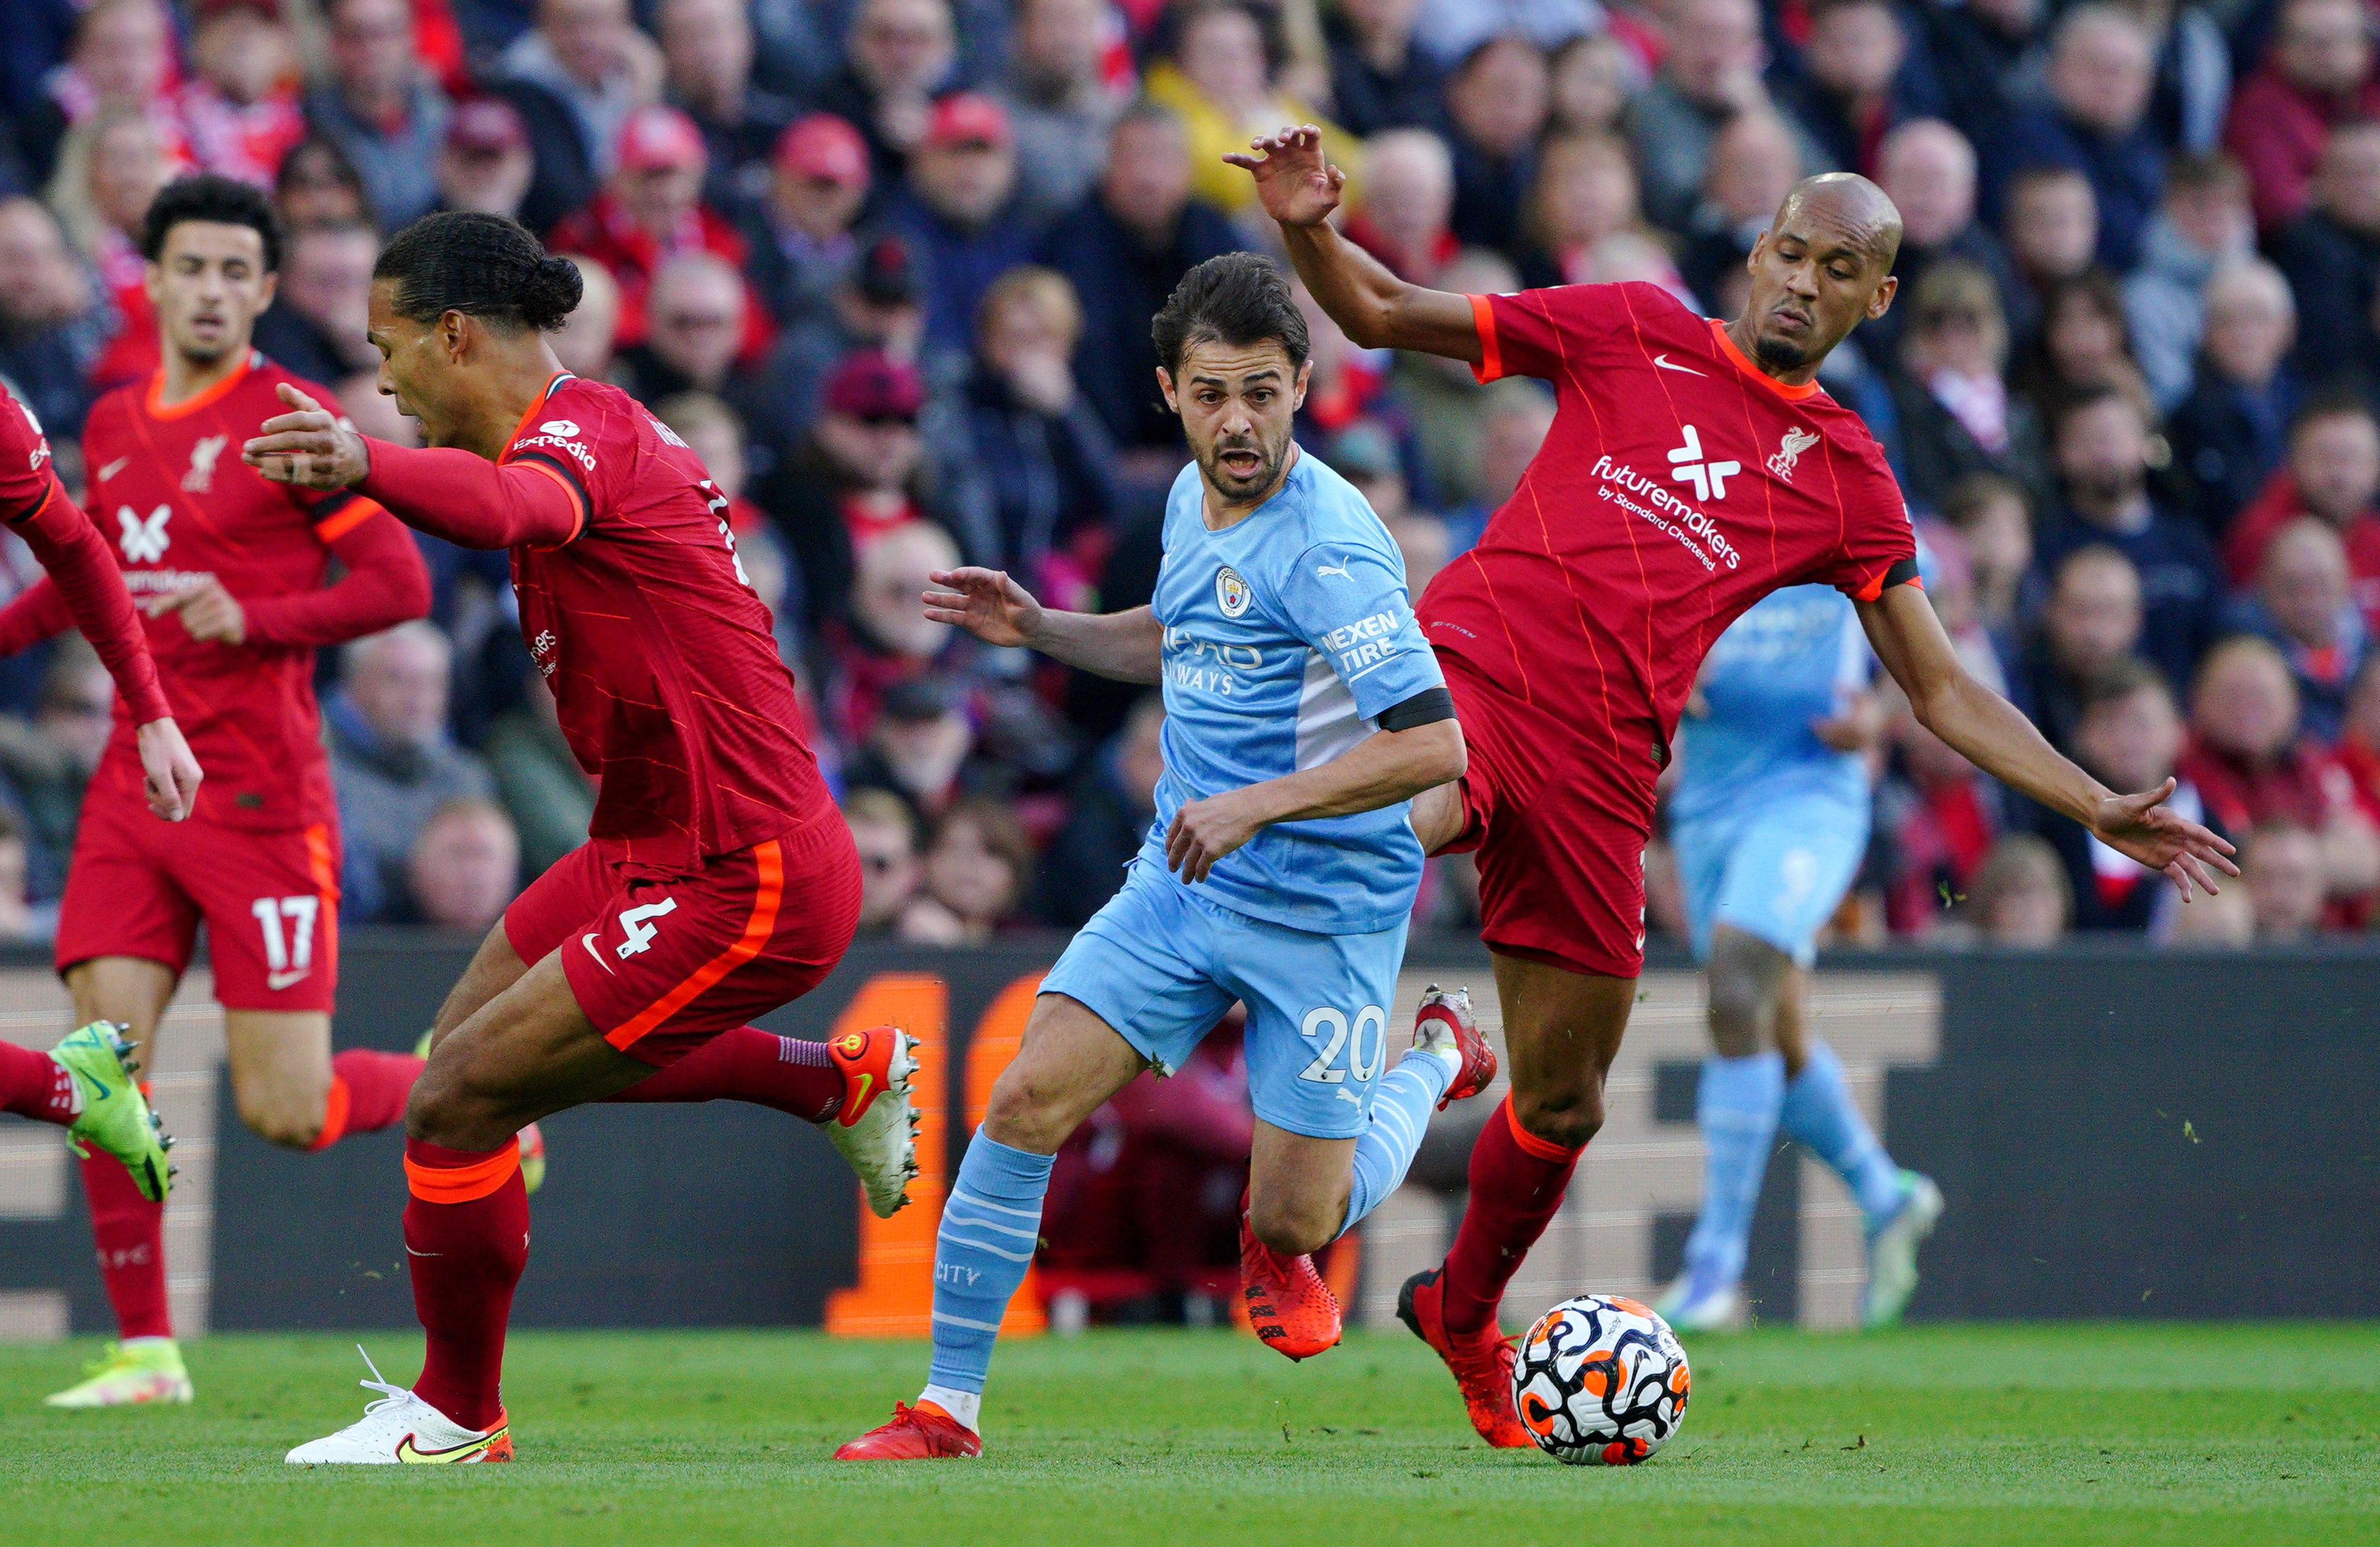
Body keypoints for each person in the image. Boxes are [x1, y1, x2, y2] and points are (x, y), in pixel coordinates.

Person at [1234, 125, 2234, 1446]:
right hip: (1472, 673)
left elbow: (1939, 690)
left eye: (1839, 269)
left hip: (1605, 768)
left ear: (1874, 298)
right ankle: (1281, 1225)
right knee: (1388, 821)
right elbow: (1373, 310)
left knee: (1562, 1102)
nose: (1802, 283)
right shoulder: (1627, 326)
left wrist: (2091, 799)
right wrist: (1308, 226)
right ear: (1756, 249)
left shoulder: (1848, 480)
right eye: (1790, 252)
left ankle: (1462, 1314)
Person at [244, 211, 922, 1463]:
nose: (382, 380)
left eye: (389, 347)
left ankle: (457, 1415)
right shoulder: (584, 427)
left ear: (454, 334)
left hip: (745, 861)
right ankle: (835, 1080)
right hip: (648, 841)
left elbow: (518, 510)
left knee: (454, 1100)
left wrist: (361, 465)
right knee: (464, 1056)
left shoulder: (577, 434)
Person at [833, 252, 1493, 1461]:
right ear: (1168, 392)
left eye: (1260, 391)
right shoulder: (1192, 499)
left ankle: (1436, 1055)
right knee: (1026, 1096)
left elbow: (1434, 747)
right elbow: (1179, 635)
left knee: (1299, 1215)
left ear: (1303, 383)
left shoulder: (1333, 547)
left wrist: (1256, 804)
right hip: (1184, 882)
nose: (1236, 420)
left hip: (1323, 906)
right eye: (1209, 394)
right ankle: (948, 1407)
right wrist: (1039, 627)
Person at [0, 177, 431, 1408]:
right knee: (101, 1062)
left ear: (264, 288)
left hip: (259, 799)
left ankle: (473, 1097)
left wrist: (257, 612)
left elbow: (398, 581)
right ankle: (146, 1350)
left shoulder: (290, 417)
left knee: (287, 1107)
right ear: (154, 276)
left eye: (237, 271)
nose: (211, 289)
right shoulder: (116, 416)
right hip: (136, 789)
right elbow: (81, 581)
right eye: (191, 266)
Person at [1658, 578, 1943, 1334]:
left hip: (1811, 795)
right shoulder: (1688, 503)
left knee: (1735, 985)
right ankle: (1887, 1195)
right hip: (1708, 804)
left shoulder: (1844, 500)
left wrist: (1880, 713)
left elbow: (1929, 642)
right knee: (1768, 1028)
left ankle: (1714, 1265)